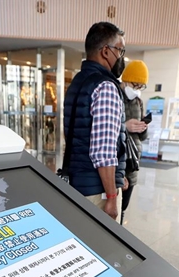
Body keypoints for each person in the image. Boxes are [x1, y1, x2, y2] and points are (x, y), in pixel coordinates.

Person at [63, 22, 127, 222]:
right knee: (104, 249)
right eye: (120, 50)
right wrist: (111, 196)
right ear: (106, 51)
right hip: (97, 191)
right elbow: (104, 151)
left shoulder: (78, 82)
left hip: (76, 182)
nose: (121, 56)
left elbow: (80, 136)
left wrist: (118, 176)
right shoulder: (105, 87)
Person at [120, 60, 149, 224]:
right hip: (118, 158)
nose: (137, 90)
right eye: (135, 84)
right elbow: (105, 128)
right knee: (112, 206)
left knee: (124, 206)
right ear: (125, 80)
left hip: (133, 160)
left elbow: (142, 137)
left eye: (141, 86)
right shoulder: (114, 95)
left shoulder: (138, 101)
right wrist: (125, 126)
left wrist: (143, 128)